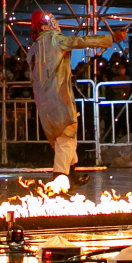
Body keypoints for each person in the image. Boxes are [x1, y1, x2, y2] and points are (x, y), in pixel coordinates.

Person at [27, 10, 90, 177]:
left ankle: (72, 173)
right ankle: (61, 177)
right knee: (65, 136)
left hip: (45, 100)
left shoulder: (34, 48)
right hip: (58, 99)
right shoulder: (54, 40)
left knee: (66, 138)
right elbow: (79, 41)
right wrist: (110, 39)